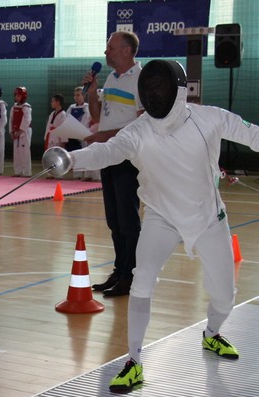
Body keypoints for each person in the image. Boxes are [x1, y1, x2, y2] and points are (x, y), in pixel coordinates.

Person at [43, 59, 259, 392]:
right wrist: (72, 159)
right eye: (152, 88)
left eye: (161, 88)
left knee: (224, 297)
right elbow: (107, 151)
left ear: (178, 91)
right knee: (141, 280)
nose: (156, 94)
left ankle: (212, 333)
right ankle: (133, 361)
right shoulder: (139, 131)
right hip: (161, 218)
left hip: (207, 219)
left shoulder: (210, 118)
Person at [83, 31, 145, 297]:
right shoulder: (110, 77)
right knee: (114, 219)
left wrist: (106, 135)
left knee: (128, 219)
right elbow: (99, 117)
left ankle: (132, 275)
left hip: (127, 158)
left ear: (127, 50)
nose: (106, 52)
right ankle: (120, 270)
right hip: (108, 154)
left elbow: (144, 123)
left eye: (110, 47)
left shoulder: (141, 79)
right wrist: (92, 94)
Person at [66, 86, 97, 181]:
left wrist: (82, 131)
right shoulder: (71, 107)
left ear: (83, 96)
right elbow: (67, 119)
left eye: (78, 95)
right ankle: (77, 174)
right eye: (75, 95)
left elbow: (87, 119)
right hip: (73, 133)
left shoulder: (86, 107)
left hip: (84, 133)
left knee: (86, 153)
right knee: (76, 154)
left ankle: (88, 174)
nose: (76, 97)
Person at [9, 86, 32, 177]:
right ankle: (17, 171)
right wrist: (11, 131)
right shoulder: (14, 107)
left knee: (25, 151)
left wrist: (20, 130)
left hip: (24, 132)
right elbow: (11, 119)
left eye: (19, 96)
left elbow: (27, 120)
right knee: (17, 152)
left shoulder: (26, 107)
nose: (17, 98)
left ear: (23, 96)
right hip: (15, 132)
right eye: (16, 96)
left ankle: (27, 172)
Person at [44, 94, 67, 179]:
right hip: (51, 138)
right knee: (51, 157)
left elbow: (64, 128)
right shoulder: (52, 114)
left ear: (58, 102)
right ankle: (51, 173)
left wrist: (63, 140)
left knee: (59, 157)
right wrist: (46, 137)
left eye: (52, 101)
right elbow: (48, 127)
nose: (51, 103)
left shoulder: (63, 114)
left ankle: (60, 173)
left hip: (58, 138)